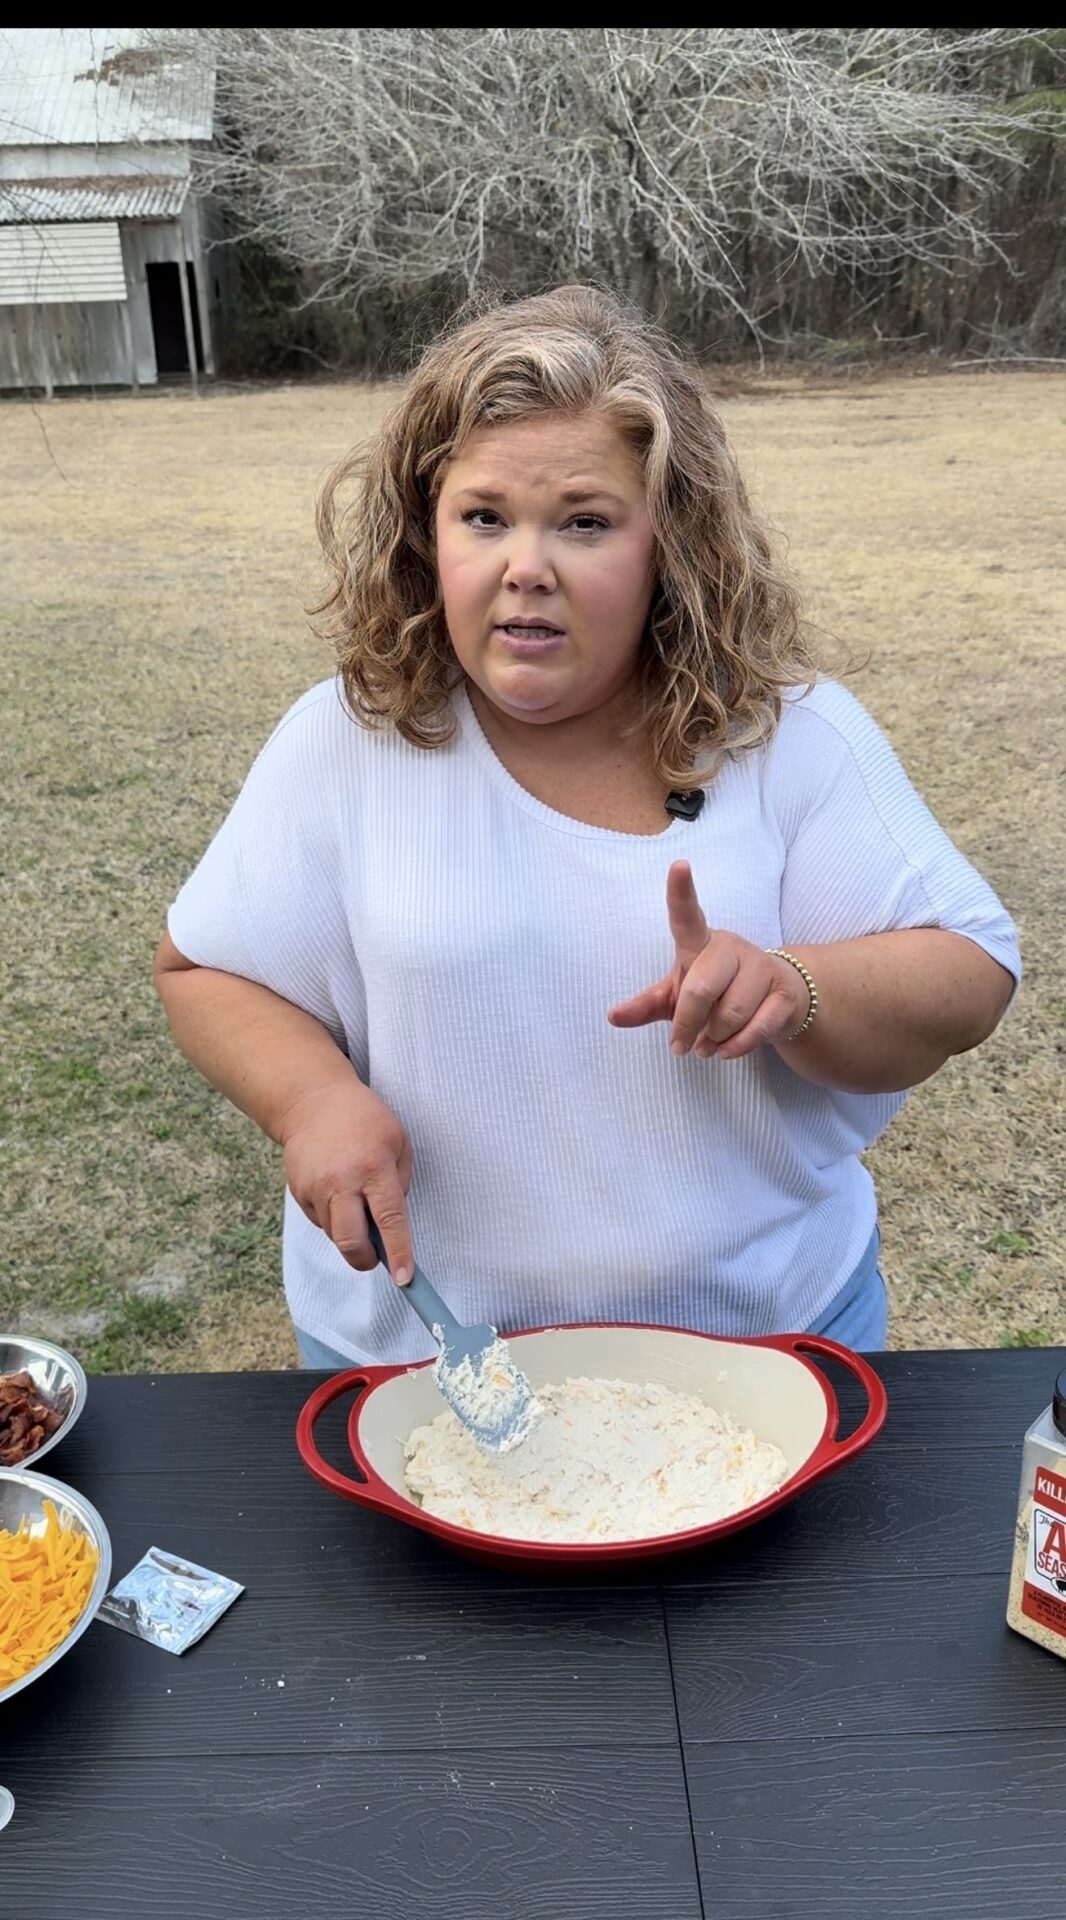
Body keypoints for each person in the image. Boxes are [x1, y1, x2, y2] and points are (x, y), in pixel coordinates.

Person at [154, 286, 1019, 1366]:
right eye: (484, 517)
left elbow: (969, 972)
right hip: (429, 1364)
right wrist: (312, 1099)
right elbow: (206, 969)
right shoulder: (349, 739)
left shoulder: (789, 734)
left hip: (765, 1354)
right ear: (425, 536)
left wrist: (794, 988)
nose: (527, 565)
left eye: (583, 522)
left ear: (671, 546)